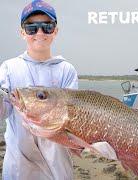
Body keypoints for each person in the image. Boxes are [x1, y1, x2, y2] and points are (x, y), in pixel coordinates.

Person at [0, 0, 78, 179]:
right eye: (32, 28)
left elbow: (68, 123)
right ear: (22, 32)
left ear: (55, 31)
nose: (40, 33)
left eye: (47, 26)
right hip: (18, 170)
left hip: (58, 171)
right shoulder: (9, 68)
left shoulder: (66, 70)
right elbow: (2, 111)